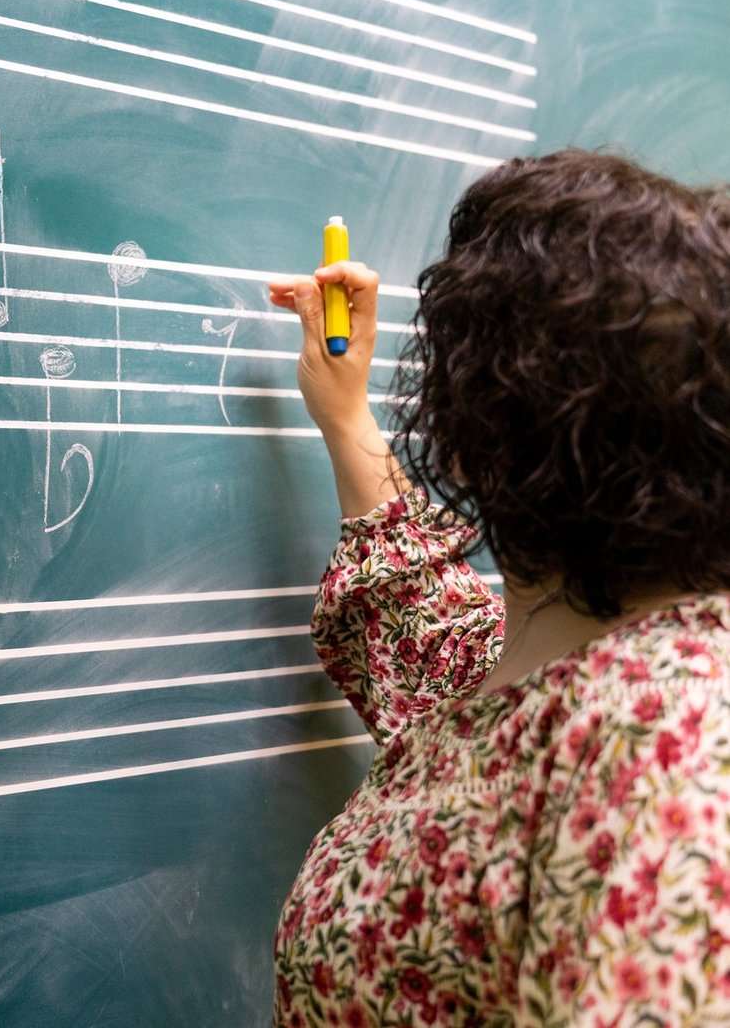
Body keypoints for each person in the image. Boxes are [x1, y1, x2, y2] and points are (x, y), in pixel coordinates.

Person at [266, 150, 730, 1026]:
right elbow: (427, 634)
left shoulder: (667, 741)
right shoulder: (586, 666)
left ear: (479, 434)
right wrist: (347, 414)